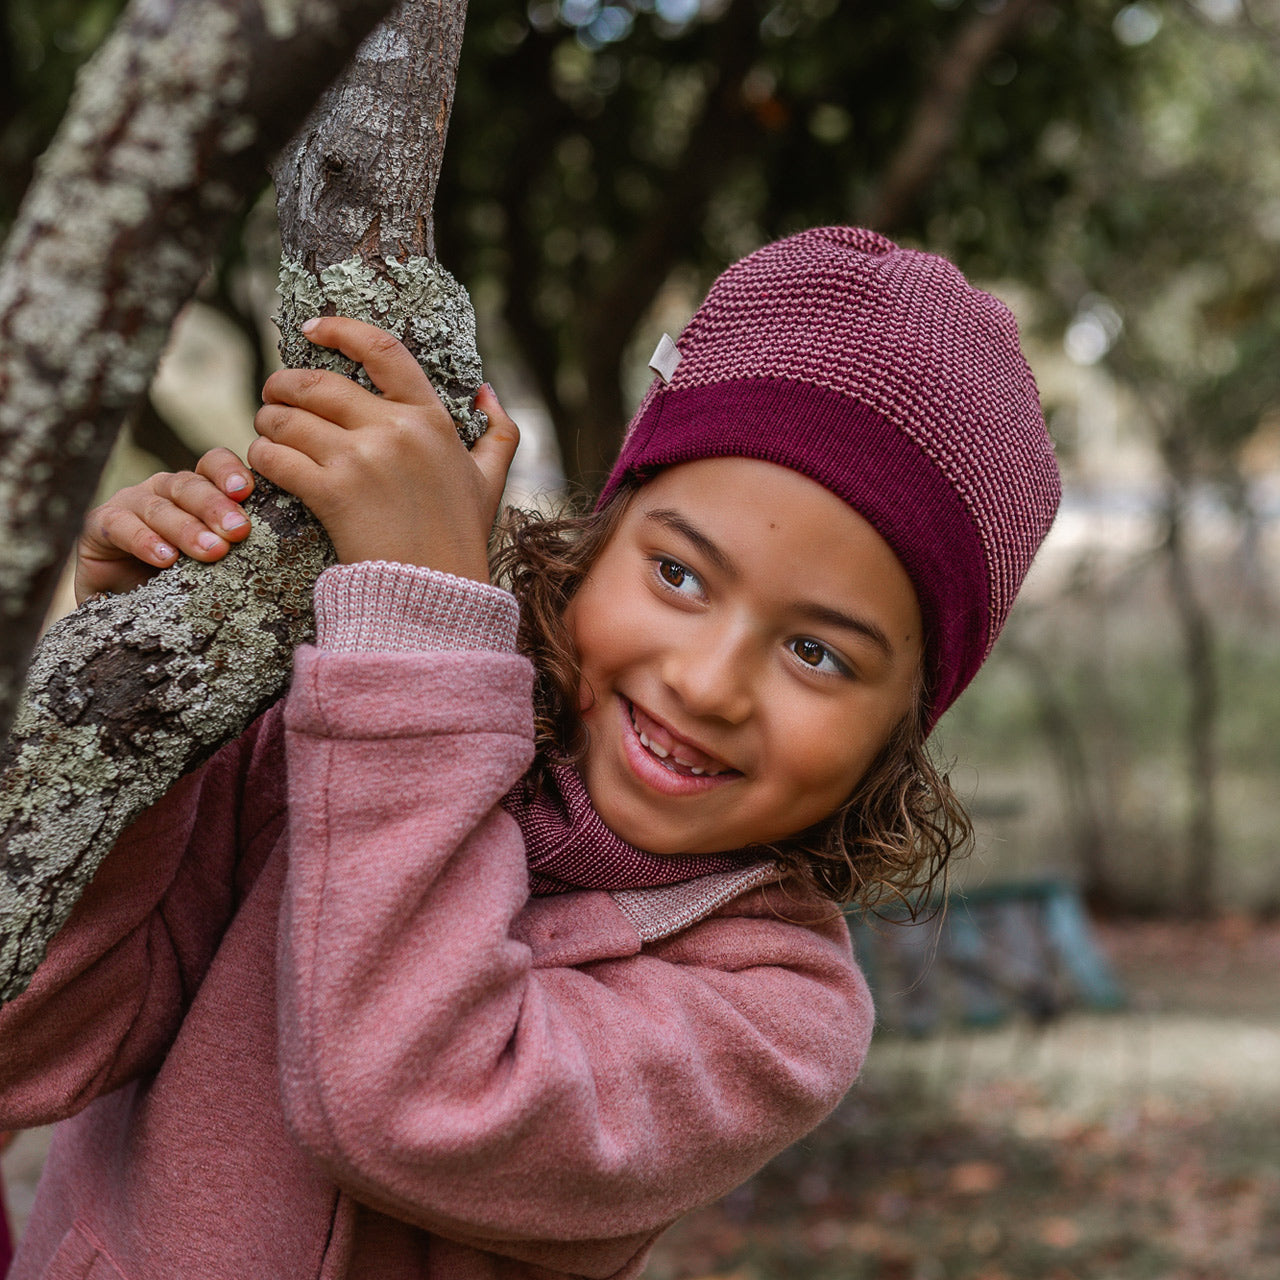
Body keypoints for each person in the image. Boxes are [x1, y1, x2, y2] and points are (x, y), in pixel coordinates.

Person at [0, 227, 1059, 1279]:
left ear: (900, 729)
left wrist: (420, 642)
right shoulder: (333, 710)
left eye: (815, 650)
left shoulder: (775, 1011)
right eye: (680, 575)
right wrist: (135, 708)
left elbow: (408, 1101)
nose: (705, 681)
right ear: (600, 541)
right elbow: (39, 1038)